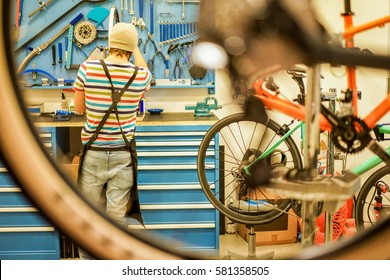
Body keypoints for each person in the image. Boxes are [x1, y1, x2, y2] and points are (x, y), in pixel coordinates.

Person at [73, 22, 151, 259]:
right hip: (123, 155)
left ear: (109, 44)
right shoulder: (140, 75)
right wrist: (136, 48)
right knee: (116, 216)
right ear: (132, 48)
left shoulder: (87, 69)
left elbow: (78, 109)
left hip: (93, 154)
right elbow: (144, 69)